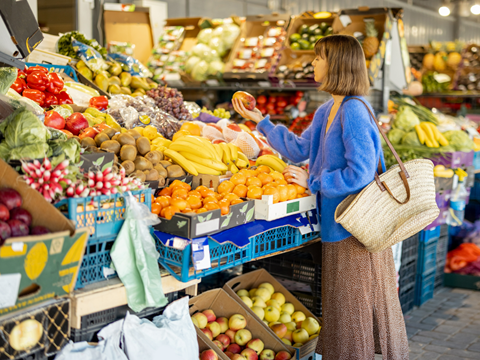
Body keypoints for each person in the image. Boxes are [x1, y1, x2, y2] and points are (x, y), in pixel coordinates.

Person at [233, 35, 409, 360]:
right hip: (335, 225)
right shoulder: (328, 109)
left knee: (350, 314)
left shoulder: (353, 111)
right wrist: (261, 122)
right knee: (341, 312)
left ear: (338, 64)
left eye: (319, 57)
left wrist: (314, 181)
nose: (313, 63)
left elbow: (360, 172)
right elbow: (299, 149)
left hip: (354, 230)